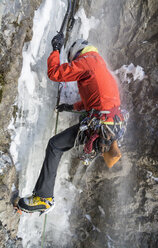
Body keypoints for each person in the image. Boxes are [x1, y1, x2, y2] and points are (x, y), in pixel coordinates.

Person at [18, 32, 124, 213]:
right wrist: (71, 106)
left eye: (73, 60)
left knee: (55, 145)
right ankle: (43, 196)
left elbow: (55, 73)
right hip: (110, 123)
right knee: (57, 145)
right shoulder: (98, 64)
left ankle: (43, 198)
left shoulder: (88, 61)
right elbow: (94, 99)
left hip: (101, 124)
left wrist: (56, 50)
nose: (74, 64)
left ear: (77, 53)